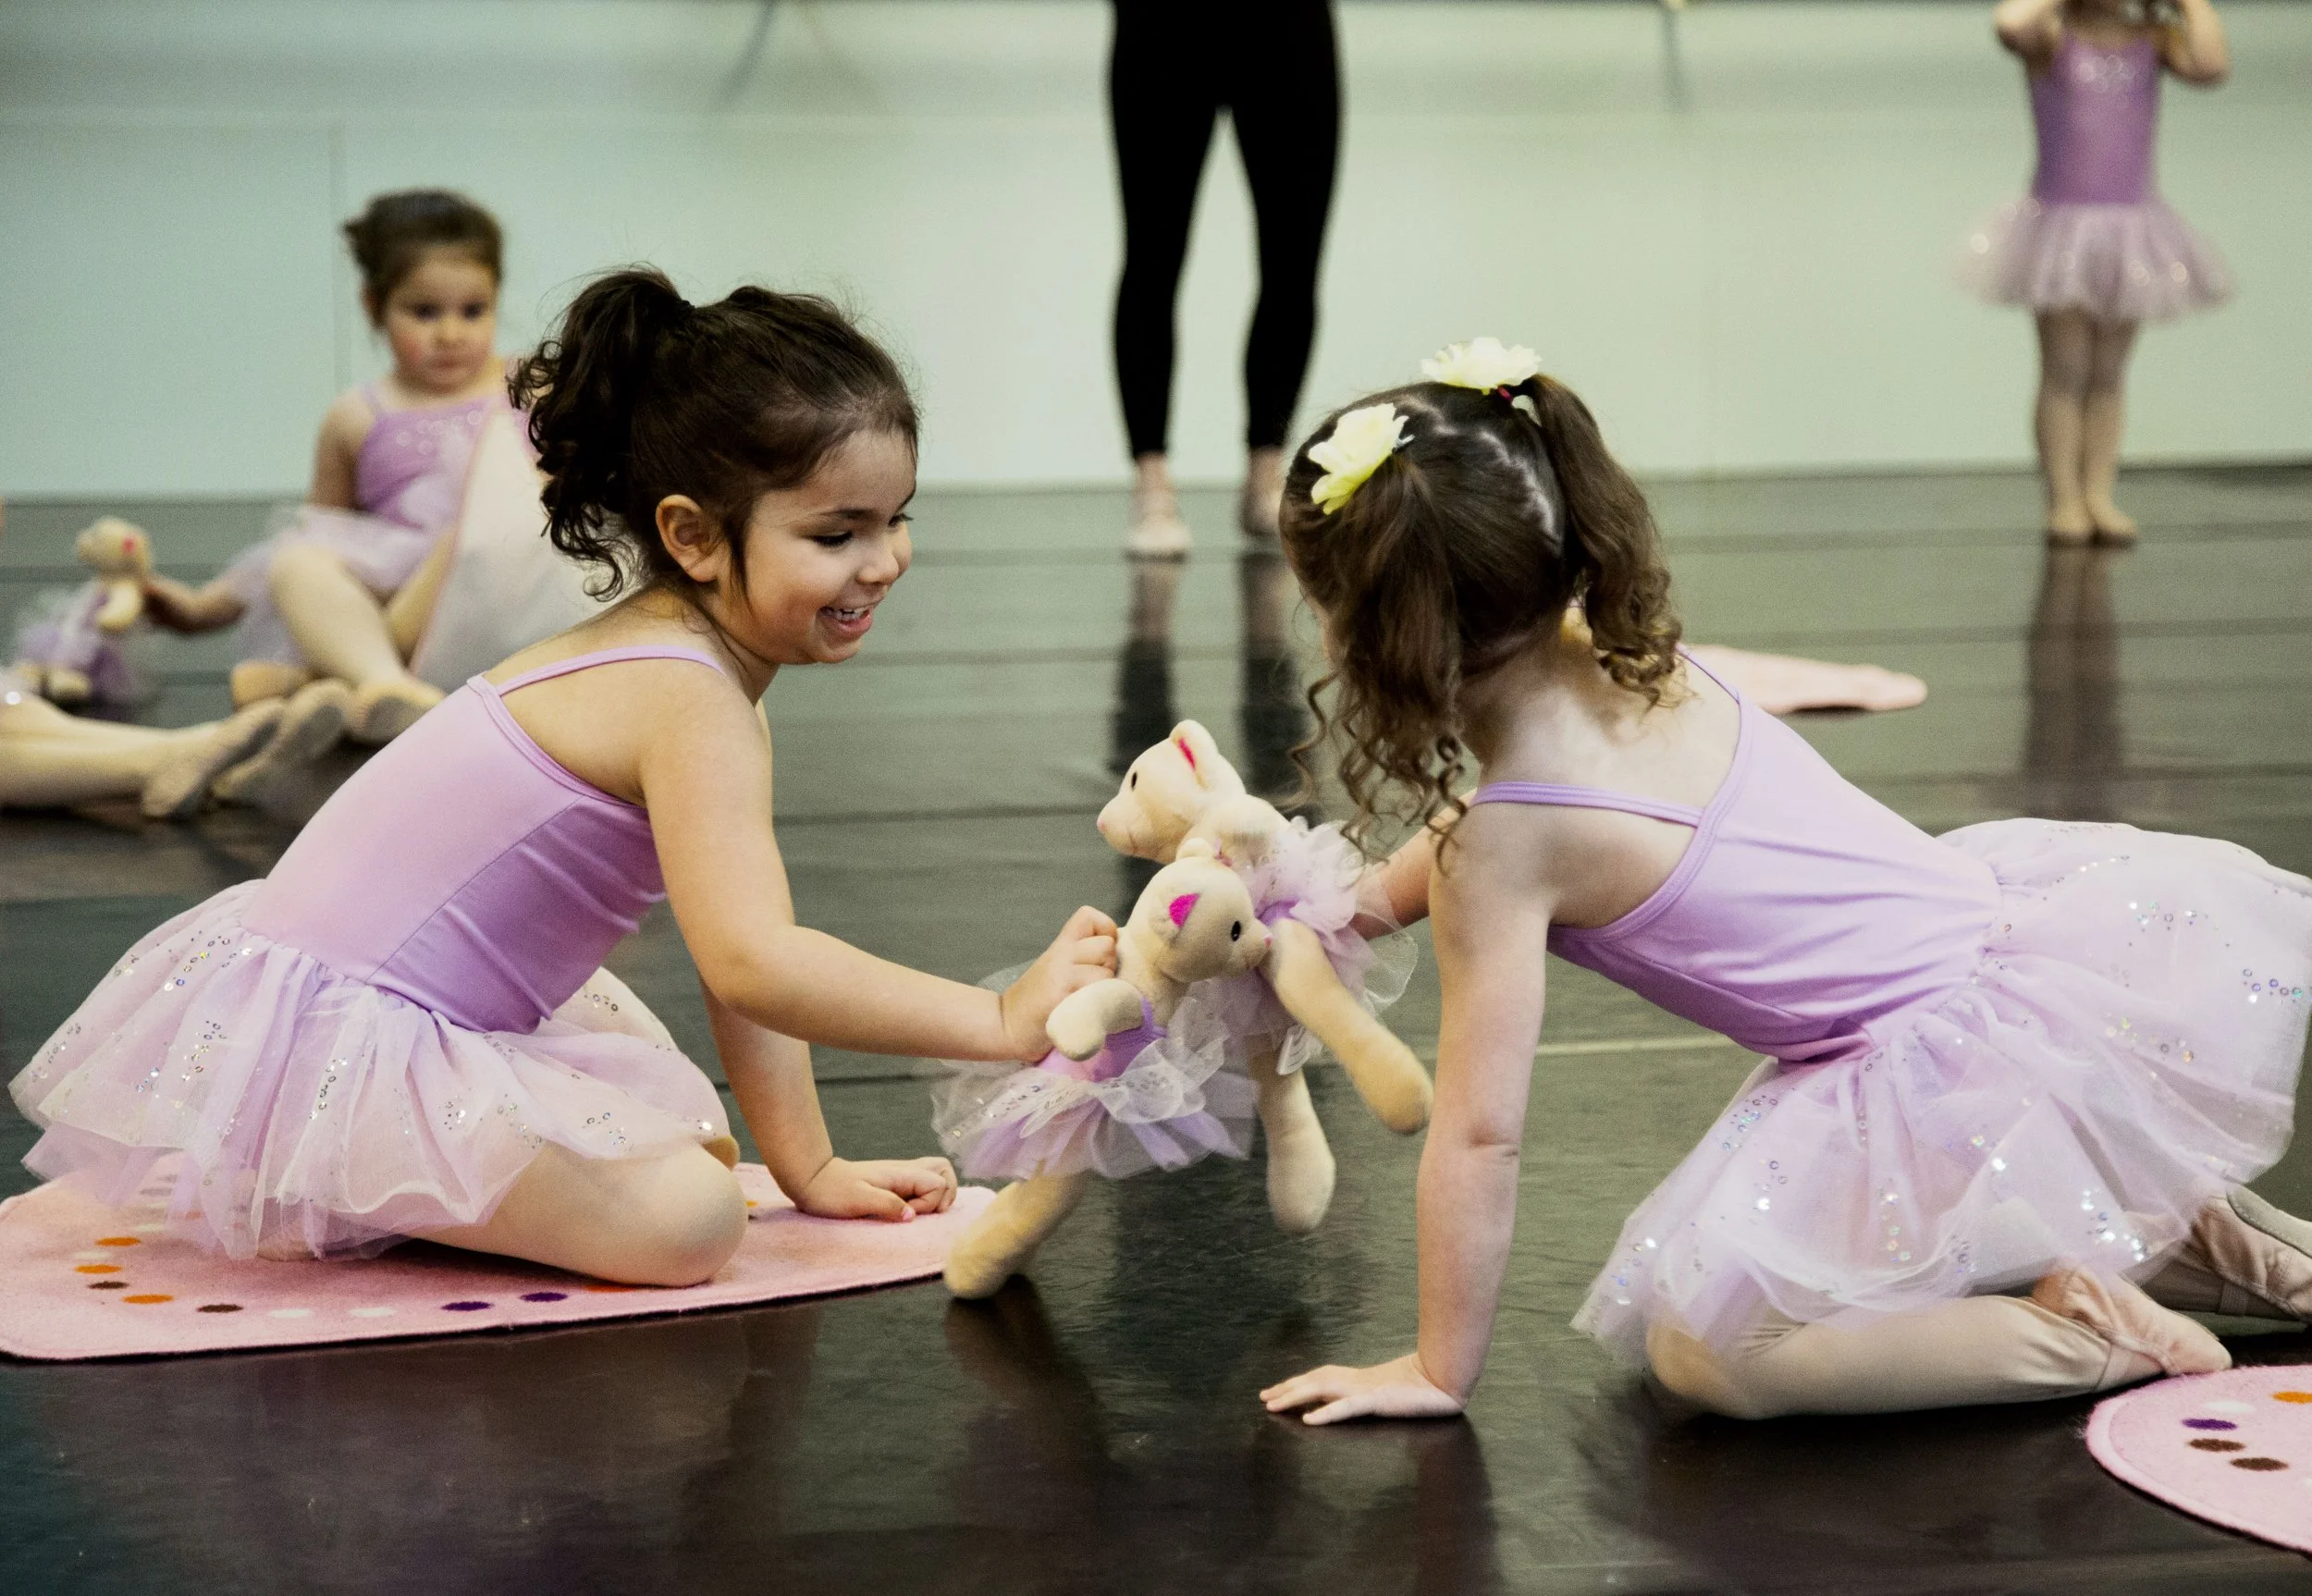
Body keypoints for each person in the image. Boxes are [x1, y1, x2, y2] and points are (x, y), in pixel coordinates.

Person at [1257, 343, 2312, 1422]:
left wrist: (1439, 1367)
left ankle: (2082, 1335)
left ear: (1377, 640)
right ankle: (2230, 1243)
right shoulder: (1634, 657)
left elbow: (1481, 1133)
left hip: (1916, 1066)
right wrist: (1347, 907)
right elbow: (1460, 836)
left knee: (1716, 1350)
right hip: (2027, 975)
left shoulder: (1503, 852)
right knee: (1938, 1214)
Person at [10, 270, 1121, 1284]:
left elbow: (745, 960)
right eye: (837, 533)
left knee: (668, 1116)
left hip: (370, 1003)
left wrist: (809, 1165)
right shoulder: (687, 694)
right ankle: (334, 1168)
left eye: (896, 520)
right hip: (342, 1043)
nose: (881, 562)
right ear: (692, 536)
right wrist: (999, 1016)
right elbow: (756, 961)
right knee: (689, 1220)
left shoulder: (693, 668)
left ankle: (388, 1161)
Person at [143, 189, 521, 743]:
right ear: (374, 306)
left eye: (473, 310)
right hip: (404, 610)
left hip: (507, 586)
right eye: (423, 312)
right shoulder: (356, 417)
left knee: (477, 533)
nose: (450, 333)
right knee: (300, 565)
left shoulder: (527, 382)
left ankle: (311, 683)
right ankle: (387, 686)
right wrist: (203, 608)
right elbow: (319, 538)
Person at [1961, 0, 2231, 545]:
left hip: (2133, 228)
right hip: (2062, 230)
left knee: (2109, 373)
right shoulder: (2053, 40)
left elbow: (2212, 67)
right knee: (2065, 370)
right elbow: (2010, 22)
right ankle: (2063, 496)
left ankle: (2099, 492)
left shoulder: (2154, 40)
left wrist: (2191, 4)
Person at [1109, 0, 1339, 556]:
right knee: (1153, 257)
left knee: (1294, 260)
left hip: (1289, 21)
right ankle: (1153, 487)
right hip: (1162, 22)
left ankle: (1266, 473)